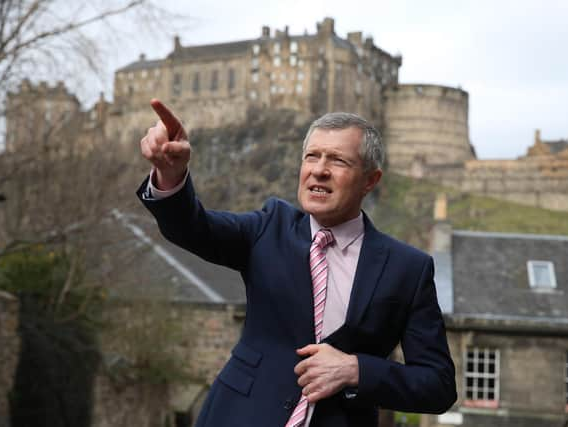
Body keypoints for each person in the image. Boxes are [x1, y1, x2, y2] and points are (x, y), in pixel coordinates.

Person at [137, 99, 456, 427]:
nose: (319, 169)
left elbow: (439, 385)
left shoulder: (408, 268)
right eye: (312, 156)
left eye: (338, 160)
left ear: (370, 180)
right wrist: (170, 174)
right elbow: (192, 227)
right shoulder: (267, 227)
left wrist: (356, 370)